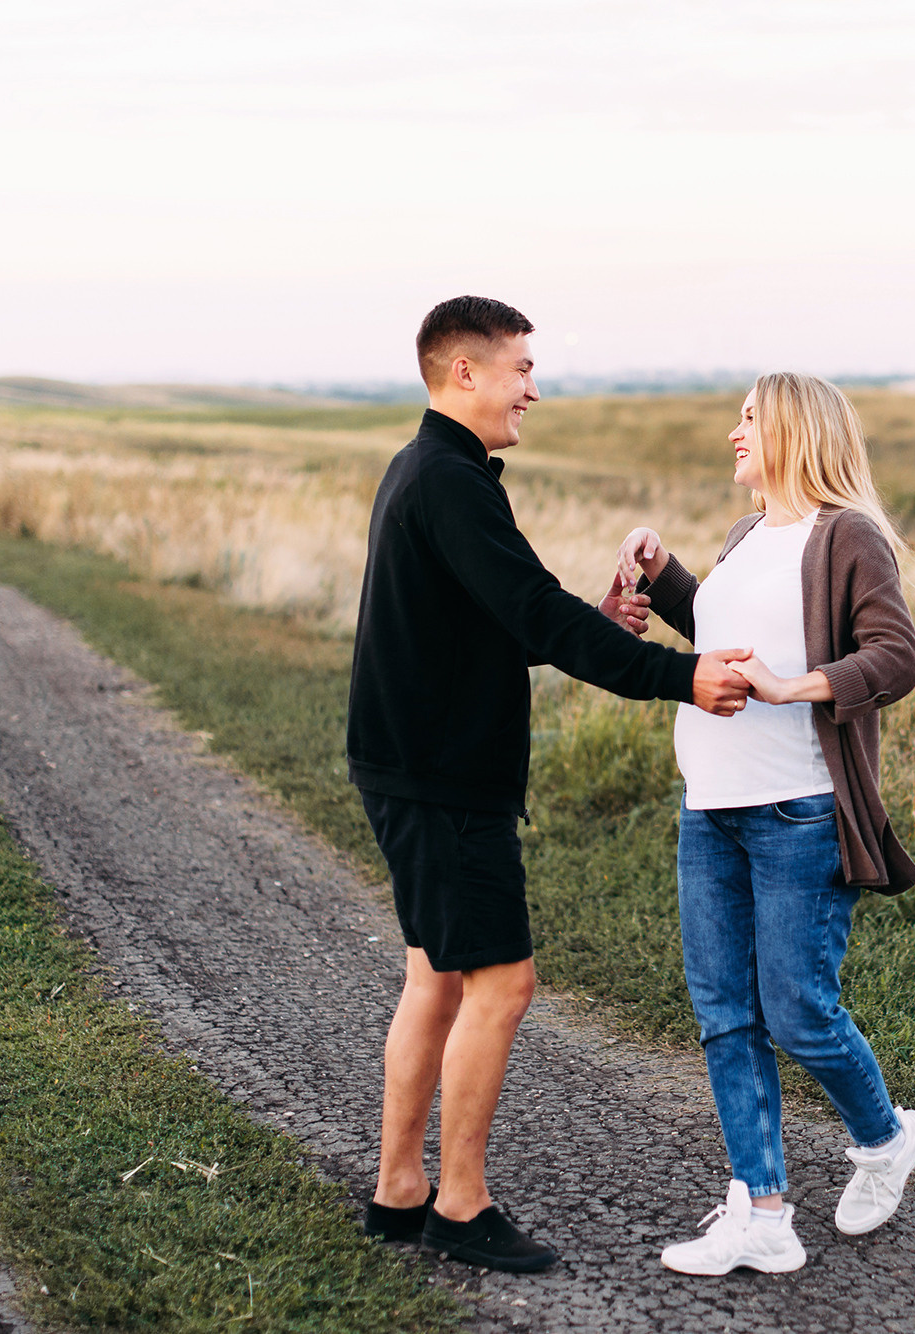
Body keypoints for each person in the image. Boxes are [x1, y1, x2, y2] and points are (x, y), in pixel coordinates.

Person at [348, 295, 753, 1272]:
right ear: (463, 374)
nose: (533, 386)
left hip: (416, 766)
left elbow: (496, 626)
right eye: (520, 368)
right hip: (442, 781)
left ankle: (399, 1191)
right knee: (503, 981)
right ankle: (459, 1204)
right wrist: (680, 676)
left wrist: (609, 629)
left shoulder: (434, 472)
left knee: (435, 975)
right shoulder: (448, 481)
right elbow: (532, 609)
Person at [613, 371, 915, 1276]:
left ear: (792, 429)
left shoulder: (848, 537)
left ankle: (885, 1137)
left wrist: (798, 687)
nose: (732, 434)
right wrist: (664, 571)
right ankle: (763, 1213)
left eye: (748, 419)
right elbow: (720, 634)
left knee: (795, 1011)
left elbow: (894, 655)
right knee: (724, 1013)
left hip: (797, 812)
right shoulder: (748, 535)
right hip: (708, 807)